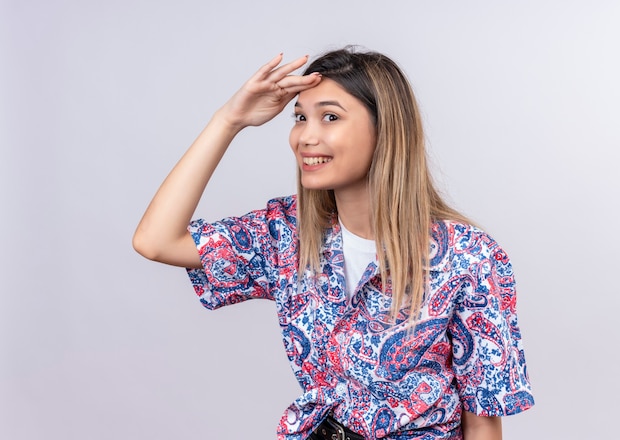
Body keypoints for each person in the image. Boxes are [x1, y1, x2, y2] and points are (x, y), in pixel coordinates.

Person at [133, 47, 534, 440]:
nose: (306, 136)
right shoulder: (288, 237)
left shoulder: (469, 257)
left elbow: (483, 422)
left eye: (329, 117)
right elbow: (156, 240)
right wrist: (228, 120)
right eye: (299, 117)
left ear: (385, 129)